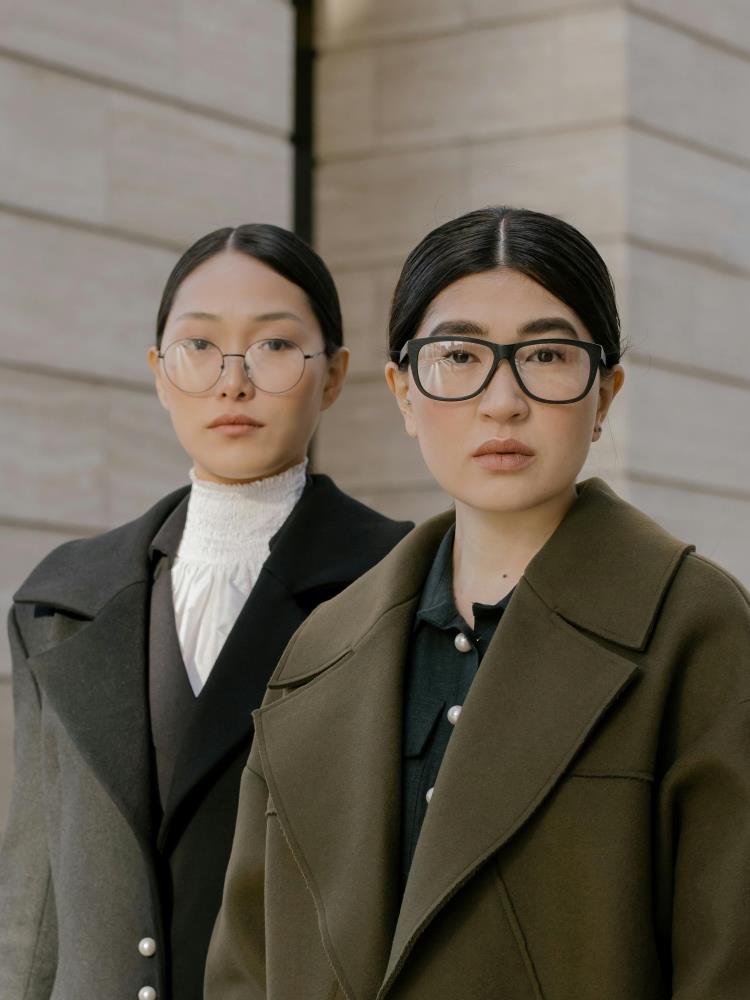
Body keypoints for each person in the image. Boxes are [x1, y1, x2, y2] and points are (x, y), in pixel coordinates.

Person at [205, 206, 750, 1000]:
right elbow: (245, 969)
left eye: (547, 355)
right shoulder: (320, 651)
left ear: (605, 395)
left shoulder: (695, 629)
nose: (502, 401)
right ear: (403, 393)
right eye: (458, 355)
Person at [0, 223, 412, 1000]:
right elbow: (35, 895)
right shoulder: (60, 599)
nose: (234, 382)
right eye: (199, 346)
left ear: (333, 375)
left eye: (275, 347)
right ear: (159, 373)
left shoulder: (402, 585)